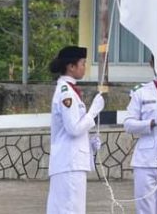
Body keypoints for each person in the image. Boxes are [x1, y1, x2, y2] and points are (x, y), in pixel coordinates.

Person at [46, 46, 105, 214]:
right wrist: (94, 111)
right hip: (69, 162)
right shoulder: (66, 93)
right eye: (82, 63)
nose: (84, 67)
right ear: (71, 67)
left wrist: (89, 143)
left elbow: (74, 128)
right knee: (70, 209)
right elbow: (73, 128)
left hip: (71, 161)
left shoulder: (70, 90)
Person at [123, 55, 157, 214]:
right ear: (151, 64)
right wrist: (150, 123)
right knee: (145, 208)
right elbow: (128, 124)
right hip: (146, 159)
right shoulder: (141, 92)